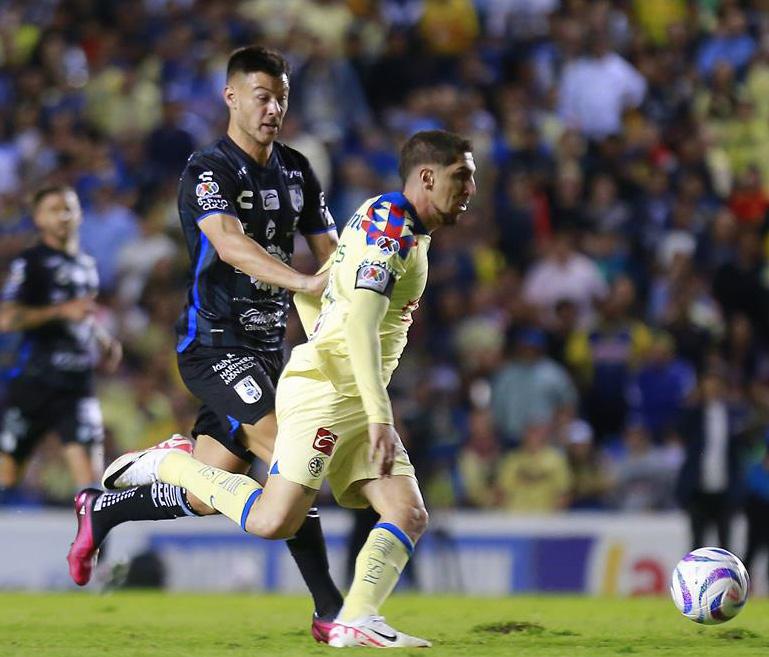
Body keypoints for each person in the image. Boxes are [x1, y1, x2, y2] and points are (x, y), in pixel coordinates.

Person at [103, 129, 477, 647]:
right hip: (328, 394)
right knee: (272, 521)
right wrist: (380, 415)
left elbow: (328, 291)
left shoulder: (396, 223)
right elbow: (361, 324)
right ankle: (170, 464)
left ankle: (355, 619)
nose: (470, 188)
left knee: (407, 511)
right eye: (462, 176)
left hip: (348, 392)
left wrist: (325, 340)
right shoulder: (391, 231)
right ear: (428, 177)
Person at [66, 45, 344, 641]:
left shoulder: (298, 170)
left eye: (281, 98)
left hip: (269, 351)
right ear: (231, 97)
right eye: (262, 97)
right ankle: (333, 610)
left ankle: (105, 508)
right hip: (214, 345)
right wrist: (303, 282)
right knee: (290, 454)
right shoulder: (208, 170)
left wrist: (361, 286)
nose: (273, 109)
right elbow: (229, 244)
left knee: (208, 488)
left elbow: (332, 252)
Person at [0, 185, 121, 499]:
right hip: (34, 381)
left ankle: (93, 532)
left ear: (79, 215)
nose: (63, 216)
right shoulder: (30, 262)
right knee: (7, 475)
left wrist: (104, 340)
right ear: (38, 218)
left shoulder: (86, 264)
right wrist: (59, 311)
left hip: (77, 384)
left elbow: (83, 314)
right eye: (54, 210)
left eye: (69, 208)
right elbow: (6, 319)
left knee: (91, 478)